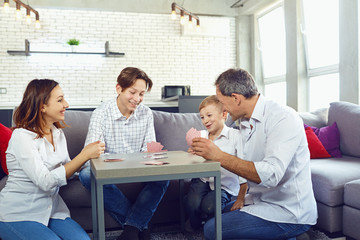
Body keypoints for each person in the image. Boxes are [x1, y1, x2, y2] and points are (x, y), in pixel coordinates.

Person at [192, 68, 318, 240]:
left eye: (222, 102)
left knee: (212, 229)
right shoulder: (244, 122)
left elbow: (272, 174)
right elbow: (245, 166)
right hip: (259, 201)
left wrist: (220, 156)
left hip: (287, 211)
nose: (223, 108)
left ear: (236, 98)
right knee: (215, 212)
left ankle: (293, 233)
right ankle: (289, 236)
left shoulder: (283, 117)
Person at [0, 79, 105, 240]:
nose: (67, 104)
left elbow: (67, 169)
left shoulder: (57, 133)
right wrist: (84, 154)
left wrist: (93, 163)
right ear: (42, 106)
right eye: (60, 100)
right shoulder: (21, 137)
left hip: (53, 212)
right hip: (18, 213)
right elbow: (46, 182)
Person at [79, 67, 169, 240]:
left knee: (164, 175)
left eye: (141, 94)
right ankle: (138, 226)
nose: (137, 99)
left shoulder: (146, 113)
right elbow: (92, 155)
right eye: (132, 92)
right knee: (85, 175)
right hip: (108, 169)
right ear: (119, 88)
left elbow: (148, 149)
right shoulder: (101, 114)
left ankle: (131, 230)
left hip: (139, 168)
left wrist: (151, 158)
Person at [184, 95, 248, 232]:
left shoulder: (235, 137)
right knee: (191, 203)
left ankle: (209, 220)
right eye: (202, 117)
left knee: (209, 206)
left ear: (223, 114)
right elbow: (192, 158)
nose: (205, 120)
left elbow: (243, 168)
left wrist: (241, 198)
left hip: (224, 185)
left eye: (209, 115)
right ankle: (196, 222)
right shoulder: (201, 135)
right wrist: (191, 153)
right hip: (202, 180)